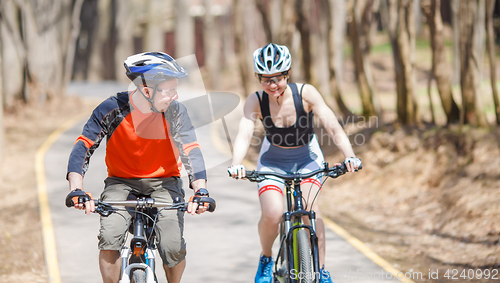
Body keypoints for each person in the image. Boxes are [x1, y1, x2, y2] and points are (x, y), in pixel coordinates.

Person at [66, 52, 211, 283]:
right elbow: (84, 145)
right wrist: (76, 189)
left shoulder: (176, 112)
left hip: (165, 183)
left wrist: (200, 190)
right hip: (120, 183)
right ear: (146, 91)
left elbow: (191, 150)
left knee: (172, 246)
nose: (175, 96)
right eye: (169, 90)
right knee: (109, 237)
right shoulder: (111, 109)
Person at [227, 43, 361, 283]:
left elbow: (332, 125)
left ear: (287, 74)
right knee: (273, 213)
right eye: (265, 79)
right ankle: (266, 259)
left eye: (277, 78)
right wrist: (236, 163)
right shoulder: (256, 100)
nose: (272, 85)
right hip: (273, 161)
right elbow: (245, 133)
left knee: (312, 211)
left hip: (307, 158)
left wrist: (349, 156)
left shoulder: (306, 93)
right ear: (258, 79)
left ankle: (320, 271)